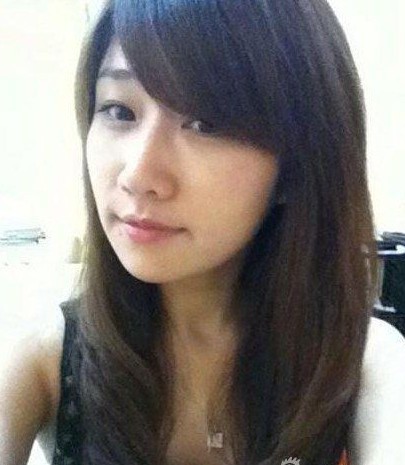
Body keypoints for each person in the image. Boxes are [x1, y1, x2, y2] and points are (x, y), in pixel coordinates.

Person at [1, 0, 405, 464]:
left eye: (204, 124)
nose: (138, 174)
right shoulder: (41, 359)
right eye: (119, 111)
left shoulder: (363, 362)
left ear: (295, 165)